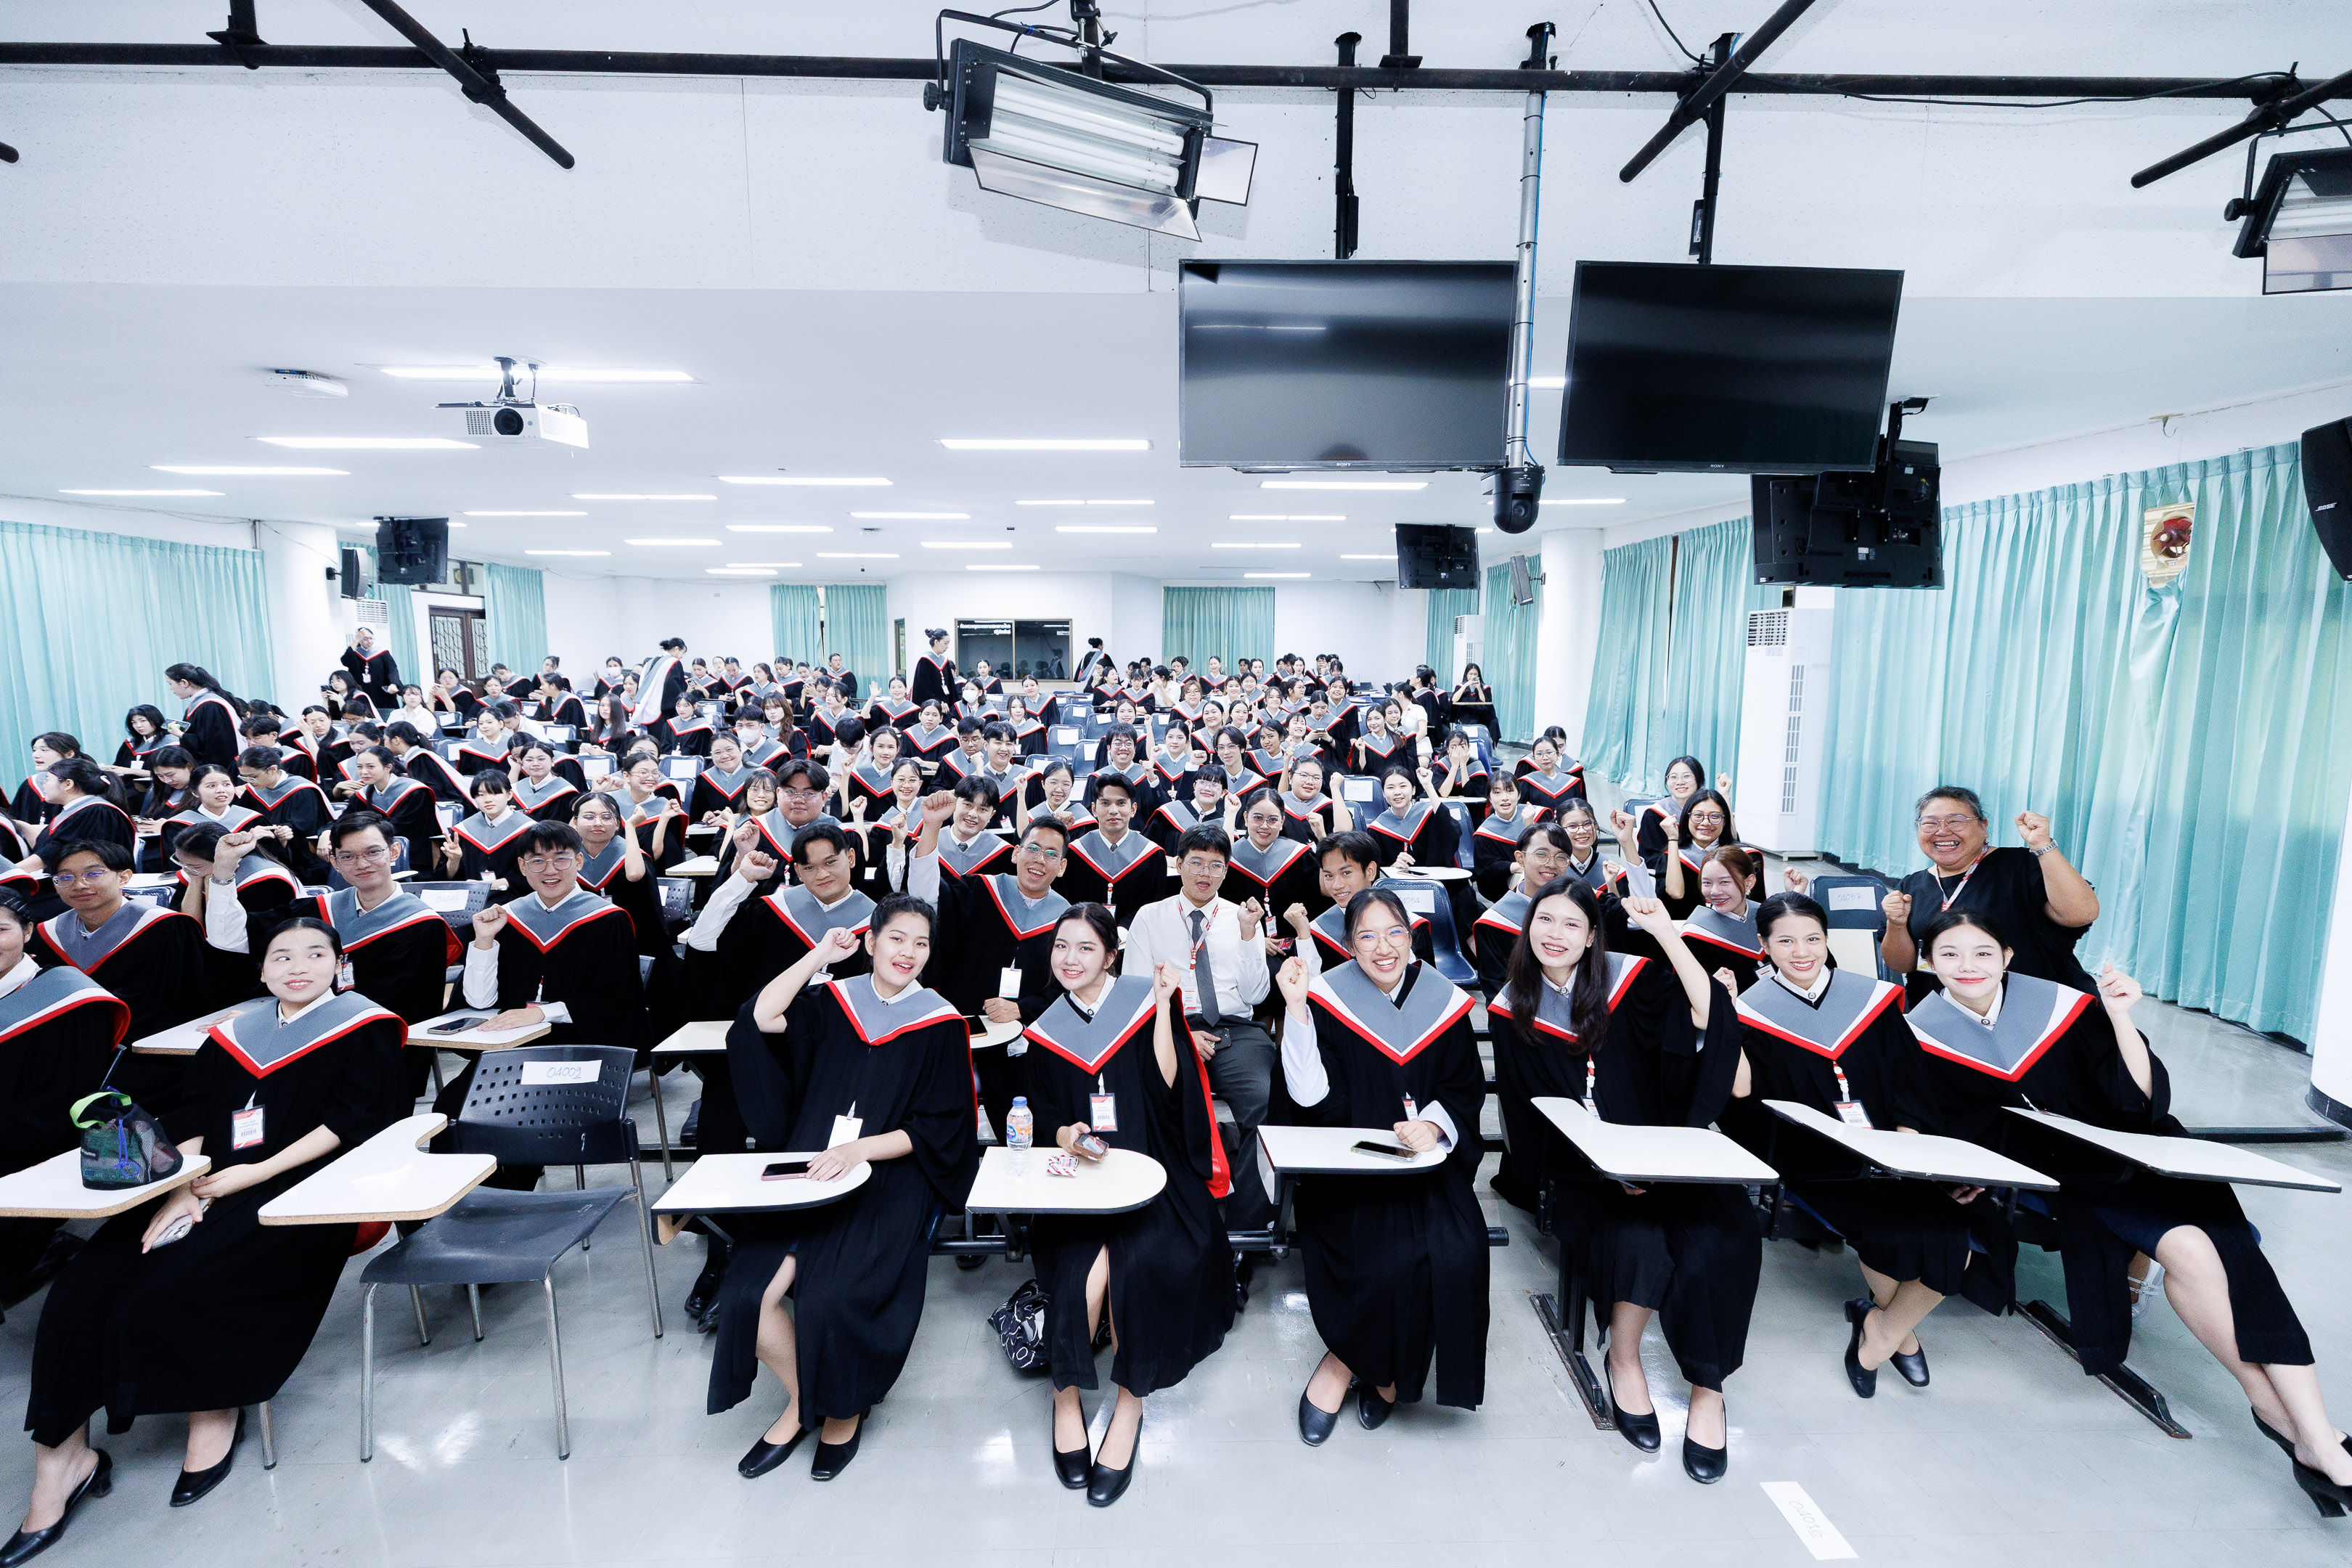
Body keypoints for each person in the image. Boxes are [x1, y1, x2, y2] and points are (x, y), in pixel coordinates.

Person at [9, 918, 407, 1556]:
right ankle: (62, 1462)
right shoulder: (234, 1033)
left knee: (177, 1283)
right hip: (207, 1178)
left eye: (314, 954)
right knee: (80, 1292)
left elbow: (352, 1122)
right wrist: (180, 1188)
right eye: (281, 956)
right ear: (262, 970)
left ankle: (215, 1409)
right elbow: (195, 1113)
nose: (297, 966)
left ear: (338, 966)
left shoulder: (367, 1027)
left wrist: (254, 1172)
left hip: (303, 1189)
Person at [1490, 879, 1750, 1482]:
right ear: (1529, 928)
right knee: (1638, 1241)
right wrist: (1605, 1167)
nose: (1556, 934)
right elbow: (1529, 1116)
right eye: (1545, 920)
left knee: (1724, 1232)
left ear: (1591, 937)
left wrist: (1665, 935)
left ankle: (1708, 1388)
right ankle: (1624, 1360)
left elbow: (1709, 1016)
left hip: (1666, 1150)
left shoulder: (1635, 980)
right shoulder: (1514, 1007)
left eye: (1572, 924)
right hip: (1584, 1170)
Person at [709, 899, 978, 1482]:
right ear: (872, 941)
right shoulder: (834, 1001)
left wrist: (861, 1151)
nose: (908, 953)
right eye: (896, 938)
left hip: (891, 1175)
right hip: (813, 1162)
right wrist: (819, 956)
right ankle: (808, 1400)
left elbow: (942, 1128)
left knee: (834, 1296)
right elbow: (759, 1017)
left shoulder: (940, 1022)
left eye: (921, 943)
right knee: (746, 1295)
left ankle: (843, 1412)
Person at [1721, 891, 2006, 1399]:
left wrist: (1907, 1141)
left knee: (1954, 1239)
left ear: (1826, 940)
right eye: (1785, 941)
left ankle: (1880, 1331)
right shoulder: (1751, 1010)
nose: (1802, 952)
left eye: (1812, 939)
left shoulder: (1870, 1000)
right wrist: (1725, 1017)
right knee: (1891, 1235)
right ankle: (1897, 1335)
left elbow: (1909, 1079)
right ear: (1763, 944)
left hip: (1893, 1149)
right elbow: (1744, 1105)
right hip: (1817, 1159)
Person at [1025, 906, 1233, 1506]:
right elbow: (1040, 1111)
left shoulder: (1143, 1000)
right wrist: (1065, 1134)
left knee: (1135, 1267)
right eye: (1062, 947)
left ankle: (1130, 1403)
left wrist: (1165, 1008)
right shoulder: (1047, 1026)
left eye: (1086, 948)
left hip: (1153, 1169)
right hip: (1081, 1181)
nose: (1070, 959)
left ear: (1111, 956)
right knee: (1080, 1276)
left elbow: (1171, 1089)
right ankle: (1066, 1397)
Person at [1274, 887, 1487, 1441]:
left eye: (1394, 932)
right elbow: (1309, 1097)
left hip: (1427, 1165)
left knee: (1455, 1250)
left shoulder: (1441, 1000)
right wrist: (1295, 1009)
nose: (1383, 947)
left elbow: (1463, 1087)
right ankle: (1356, 1364)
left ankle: (1383, 1371)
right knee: (1380, 1254)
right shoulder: (1327, 998)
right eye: (1366, 936)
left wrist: (1434, 1125)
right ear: (1349, 945)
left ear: (1412, 937)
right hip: (1350, 1168)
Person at [446, 822, 647, 1183]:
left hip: (580, 1047)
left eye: (561, 859)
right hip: (512, 1046)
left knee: (516, 1111)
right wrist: (484, 942)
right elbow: (479, 1001)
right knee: (452, 1105)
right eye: (537, 861)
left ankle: (509, 1199)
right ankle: (466, 1199)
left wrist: (541, 1014)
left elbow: (616, 1001)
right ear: (522, 867)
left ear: (579, 862)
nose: (549, 870)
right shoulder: (508, 918)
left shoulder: (608, 920)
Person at [1122, 826, 1278, 1228]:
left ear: (1226, 871)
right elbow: (1136, 992)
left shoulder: (1243, 917)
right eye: (1196, 863)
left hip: (1235, 1031)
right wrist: (1182, 1034)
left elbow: (1257, 995)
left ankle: (1246, 1229)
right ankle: (1171, 1215)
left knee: (1266, 1104)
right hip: (1171, 1027)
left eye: (1215, 865)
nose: (1205, 873)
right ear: (1178, 864)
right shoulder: (1150, 917)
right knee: (1150, 1100)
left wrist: (1249, 936)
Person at [907, 799, 1069, 1142]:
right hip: (961, 1029)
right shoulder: (979, 890)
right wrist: (932, 827)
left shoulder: (1067, 921)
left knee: (1029, 1124)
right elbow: (925, 896)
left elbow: (1069, 991)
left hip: (1021, 1042)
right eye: (1032, 849)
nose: (1039, 860)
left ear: (1063, 866)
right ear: (1015, 853)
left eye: (1051, 854)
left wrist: (1022, 1009)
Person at [0, 889, 128, 1302]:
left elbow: (61, 1100)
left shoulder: (68, 998)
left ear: (28, 931)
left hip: (30, 1142)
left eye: (0, 930)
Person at [1881, 785, 2099, 1000]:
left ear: (1983, 826)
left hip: (2035, 1006)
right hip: (1945, 1010)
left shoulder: (2021, 866)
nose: (1942, 831)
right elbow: (1902, 965)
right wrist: (1896, 924)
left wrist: (2042, 845)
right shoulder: (1911, 886)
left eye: (1955, 821)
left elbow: (2081, 914)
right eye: (1930, 823)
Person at [28, 841, 206, 1050]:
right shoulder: (46, 934)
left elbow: (167, 1002)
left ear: (124, 877)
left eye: (93, 874)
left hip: (144, 1046)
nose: (79, 885)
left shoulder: (166, 928)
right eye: (65, 878)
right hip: (63, 1041)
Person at [169, 823, 298, 1009]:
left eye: (194, 866)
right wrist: (197, 878)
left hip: (246, 964)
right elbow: (189, 925)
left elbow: (226, 935)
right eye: (182, 863)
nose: (186, 870)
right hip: (207, 958)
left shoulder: (266, 881)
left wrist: (214, 877)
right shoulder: (197, 868)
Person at [1470, 822, 1575, 997]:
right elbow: (1497, 992)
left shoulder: (1581, 910)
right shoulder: (1495, 923)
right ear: (1520, 859)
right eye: (1541, 854)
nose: (1551, 864)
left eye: (1561, 857)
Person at [1302, 832, 1432, 971]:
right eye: (1329, 876)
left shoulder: (1411, 927)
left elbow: (1426, 980)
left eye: (1346, 873)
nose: (1336, 885)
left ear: (1370, 871)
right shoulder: (1318, 932)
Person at [1055, 775, 1168, 926]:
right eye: (1105, 803)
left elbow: (1153, 906)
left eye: (1121, 803)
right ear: (1094, 809)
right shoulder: (1075, 853)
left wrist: (1123, 931)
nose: (1113, 811)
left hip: (1134, 935)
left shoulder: (1151, 855)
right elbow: (1065, 902)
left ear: (1133, 809)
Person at [1223, 790, 1318, 943]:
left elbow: (1315, 906)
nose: (1264, 826)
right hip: (1243, 944)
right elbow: (1224, 913)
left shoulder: (1300, 857)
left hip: (1295, 945)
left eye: (1273, 820)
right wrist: (1256, 940)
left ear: (1282, 822)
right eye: (1257, 818)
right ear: (1246, 818)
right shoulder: (1230, 861)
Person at [236, 747, 332, 881]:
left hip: (302, 865)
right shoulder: (253, 791)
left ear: (272, 769)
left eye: (253, 777)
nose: (248, 782)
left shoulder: (302, 790)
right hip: (263, 861)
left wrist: (279, 833)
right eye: (243, 777)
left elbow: (305, 830)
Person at [345, 746, 439, 873]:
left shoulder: (415, 792)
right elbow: (344, 821)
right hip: (373, 854)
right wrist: (327, 832)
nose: (364, 772)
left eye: (370, 767)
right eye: (360, 767)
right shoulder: (362, 795)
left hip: (414, 859)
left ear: (388, 767)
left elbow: (406, 829)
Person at [444, 770, 531, 886]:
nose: (488, 799)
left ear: (509, 795)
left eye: (495, 793)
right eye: (481, 795)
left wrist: (488, 886)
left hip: (512, 895)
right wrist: (454, 860)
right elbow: (448, 879)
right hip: (470, 894)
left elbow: (529, 877)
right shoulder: (463, 832)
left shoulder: (528, 831)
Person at [1365, 766, 1458, 870]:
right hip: (1397, 880)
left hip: (1435, 877)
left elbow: (1450, 833)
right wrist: (1393, 868)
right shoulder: (1378, 829)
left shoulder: (1429, 815)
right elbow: (1376, 869)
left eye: (1403, 786)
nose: (1397, 792)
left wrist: (1428, 786)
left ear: (1413, 790)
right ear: (1383, 793)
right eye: (1390, 788)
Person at [163, 663, 242, 768]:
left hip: (220, 768)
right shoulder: (201, 703)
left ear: (184, 683)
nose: (171, 688)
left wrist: (181, 734)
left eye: (170, 684)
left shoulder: (210, 705)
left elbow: (214, 745)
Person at [1633, 755, 1707, 859]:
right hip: (1668, 868)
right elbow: (1650, 859)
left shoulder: (1710, 811)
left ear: (1700, 781)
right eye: (1673, 777)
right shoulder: (1655, 814)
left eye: (1687, 776)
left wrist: (1725, 795)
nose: (1680, 782)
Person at [507, 740, 580, 822]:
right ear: (522, 763)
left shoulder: (566, 793)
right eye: (529, 760)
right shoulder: (517, 789)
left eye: (541, 759)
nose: (535, 763)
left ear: (552, 761)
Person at [1514, 734, 1583, 817]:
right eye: (1539, 754)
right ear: (1534, 758)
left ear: (1558, 755)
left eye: (1549, 752)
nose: (1545, 758)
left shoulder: (1571, 783)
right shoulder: (1526, 783)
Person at [631, 637, 690, 729]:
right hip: (663, 711)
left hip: (645, 707)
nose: (682, 656)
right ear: (676, 649)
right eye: (683, 652)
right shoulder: (673, 662)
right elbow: (674, 688)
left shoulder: (650, 662)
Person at [341, 627, 401, 709]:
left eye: (371, 638)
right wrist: (355, 640)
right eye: (365, 639)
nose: (369, 641)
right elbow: (345, 661)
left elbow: (392, 669)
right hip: (362, 691)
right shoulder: (354, 653)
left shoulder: (382, 653)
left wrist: (394, 684)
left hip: (381, 692)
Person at [910, 628, 955, 711]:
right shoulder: (925, 661)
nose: (947, 647)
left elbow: (951, 686)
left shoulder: (945, 661)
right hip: (931, 707)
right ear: (936, 642)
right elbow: (924, 688)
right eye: (945, 643)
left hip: (946, 706)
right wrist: (938, 702)